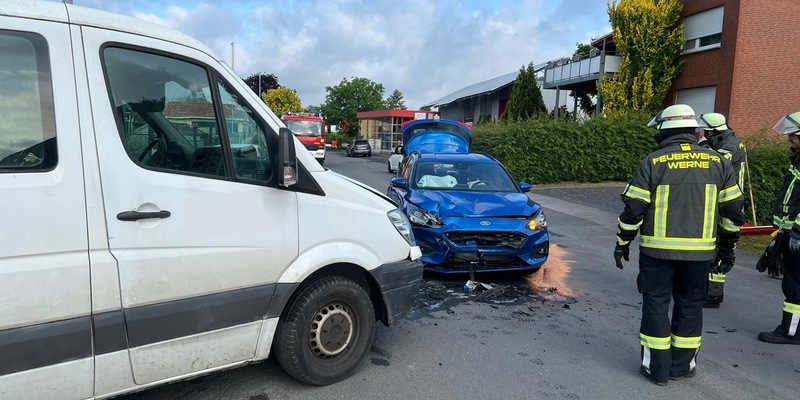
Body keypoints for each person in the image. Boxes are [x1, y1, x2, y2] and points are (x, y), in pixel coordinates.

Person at [614, 104, 746, 385]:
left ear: (664, 130)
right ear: (693, 130)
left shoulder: (653, 162)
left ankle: (656, 369)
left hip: (656, 254)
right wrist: (727, 248)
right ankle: (681, 366)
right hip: (700, 255)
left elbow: (634, 209)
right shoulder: (718, 163)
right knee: (690, 306)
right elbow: (734, 210)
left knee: (656, 305)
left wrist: (622, 242)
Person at [696, 113, 748, 308]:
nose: (700, 134)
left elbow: (716, 163)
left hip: (728, 203)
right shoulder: (725, 140)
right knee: (715, 245)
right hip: (724, 200)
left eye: (703, 132)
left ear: (712, 131)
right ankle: (710, 291)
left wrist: (702, 145)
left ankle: (713, 296)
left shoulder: (729, 146)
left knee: (721, 246)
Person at [758, 111, 800, 345]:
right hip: (790, 233)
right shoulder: (798, 158)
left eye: (792, 136)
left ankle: (791, 332)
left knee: (794, 283)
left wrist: (797, 231)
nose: (789, 139)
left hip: (798, 235)